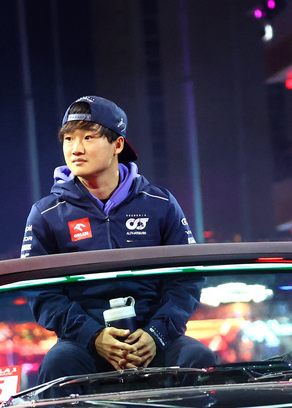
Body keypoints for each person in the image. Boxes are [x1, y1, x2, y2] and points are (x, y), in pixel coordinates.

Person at [21, 95, 214, 383]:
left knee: (199, 360)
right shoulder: (46, 214)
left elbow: (188, 278)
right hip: (83, 344)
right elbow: (41, 293)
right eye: (68, 139)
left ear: (118, 145)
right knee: (56, 368)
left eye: (88, 137)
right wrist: (93, 335)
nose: (75, 148)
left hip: (155, 337)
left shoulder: (160, 203)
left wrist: (156, 334)